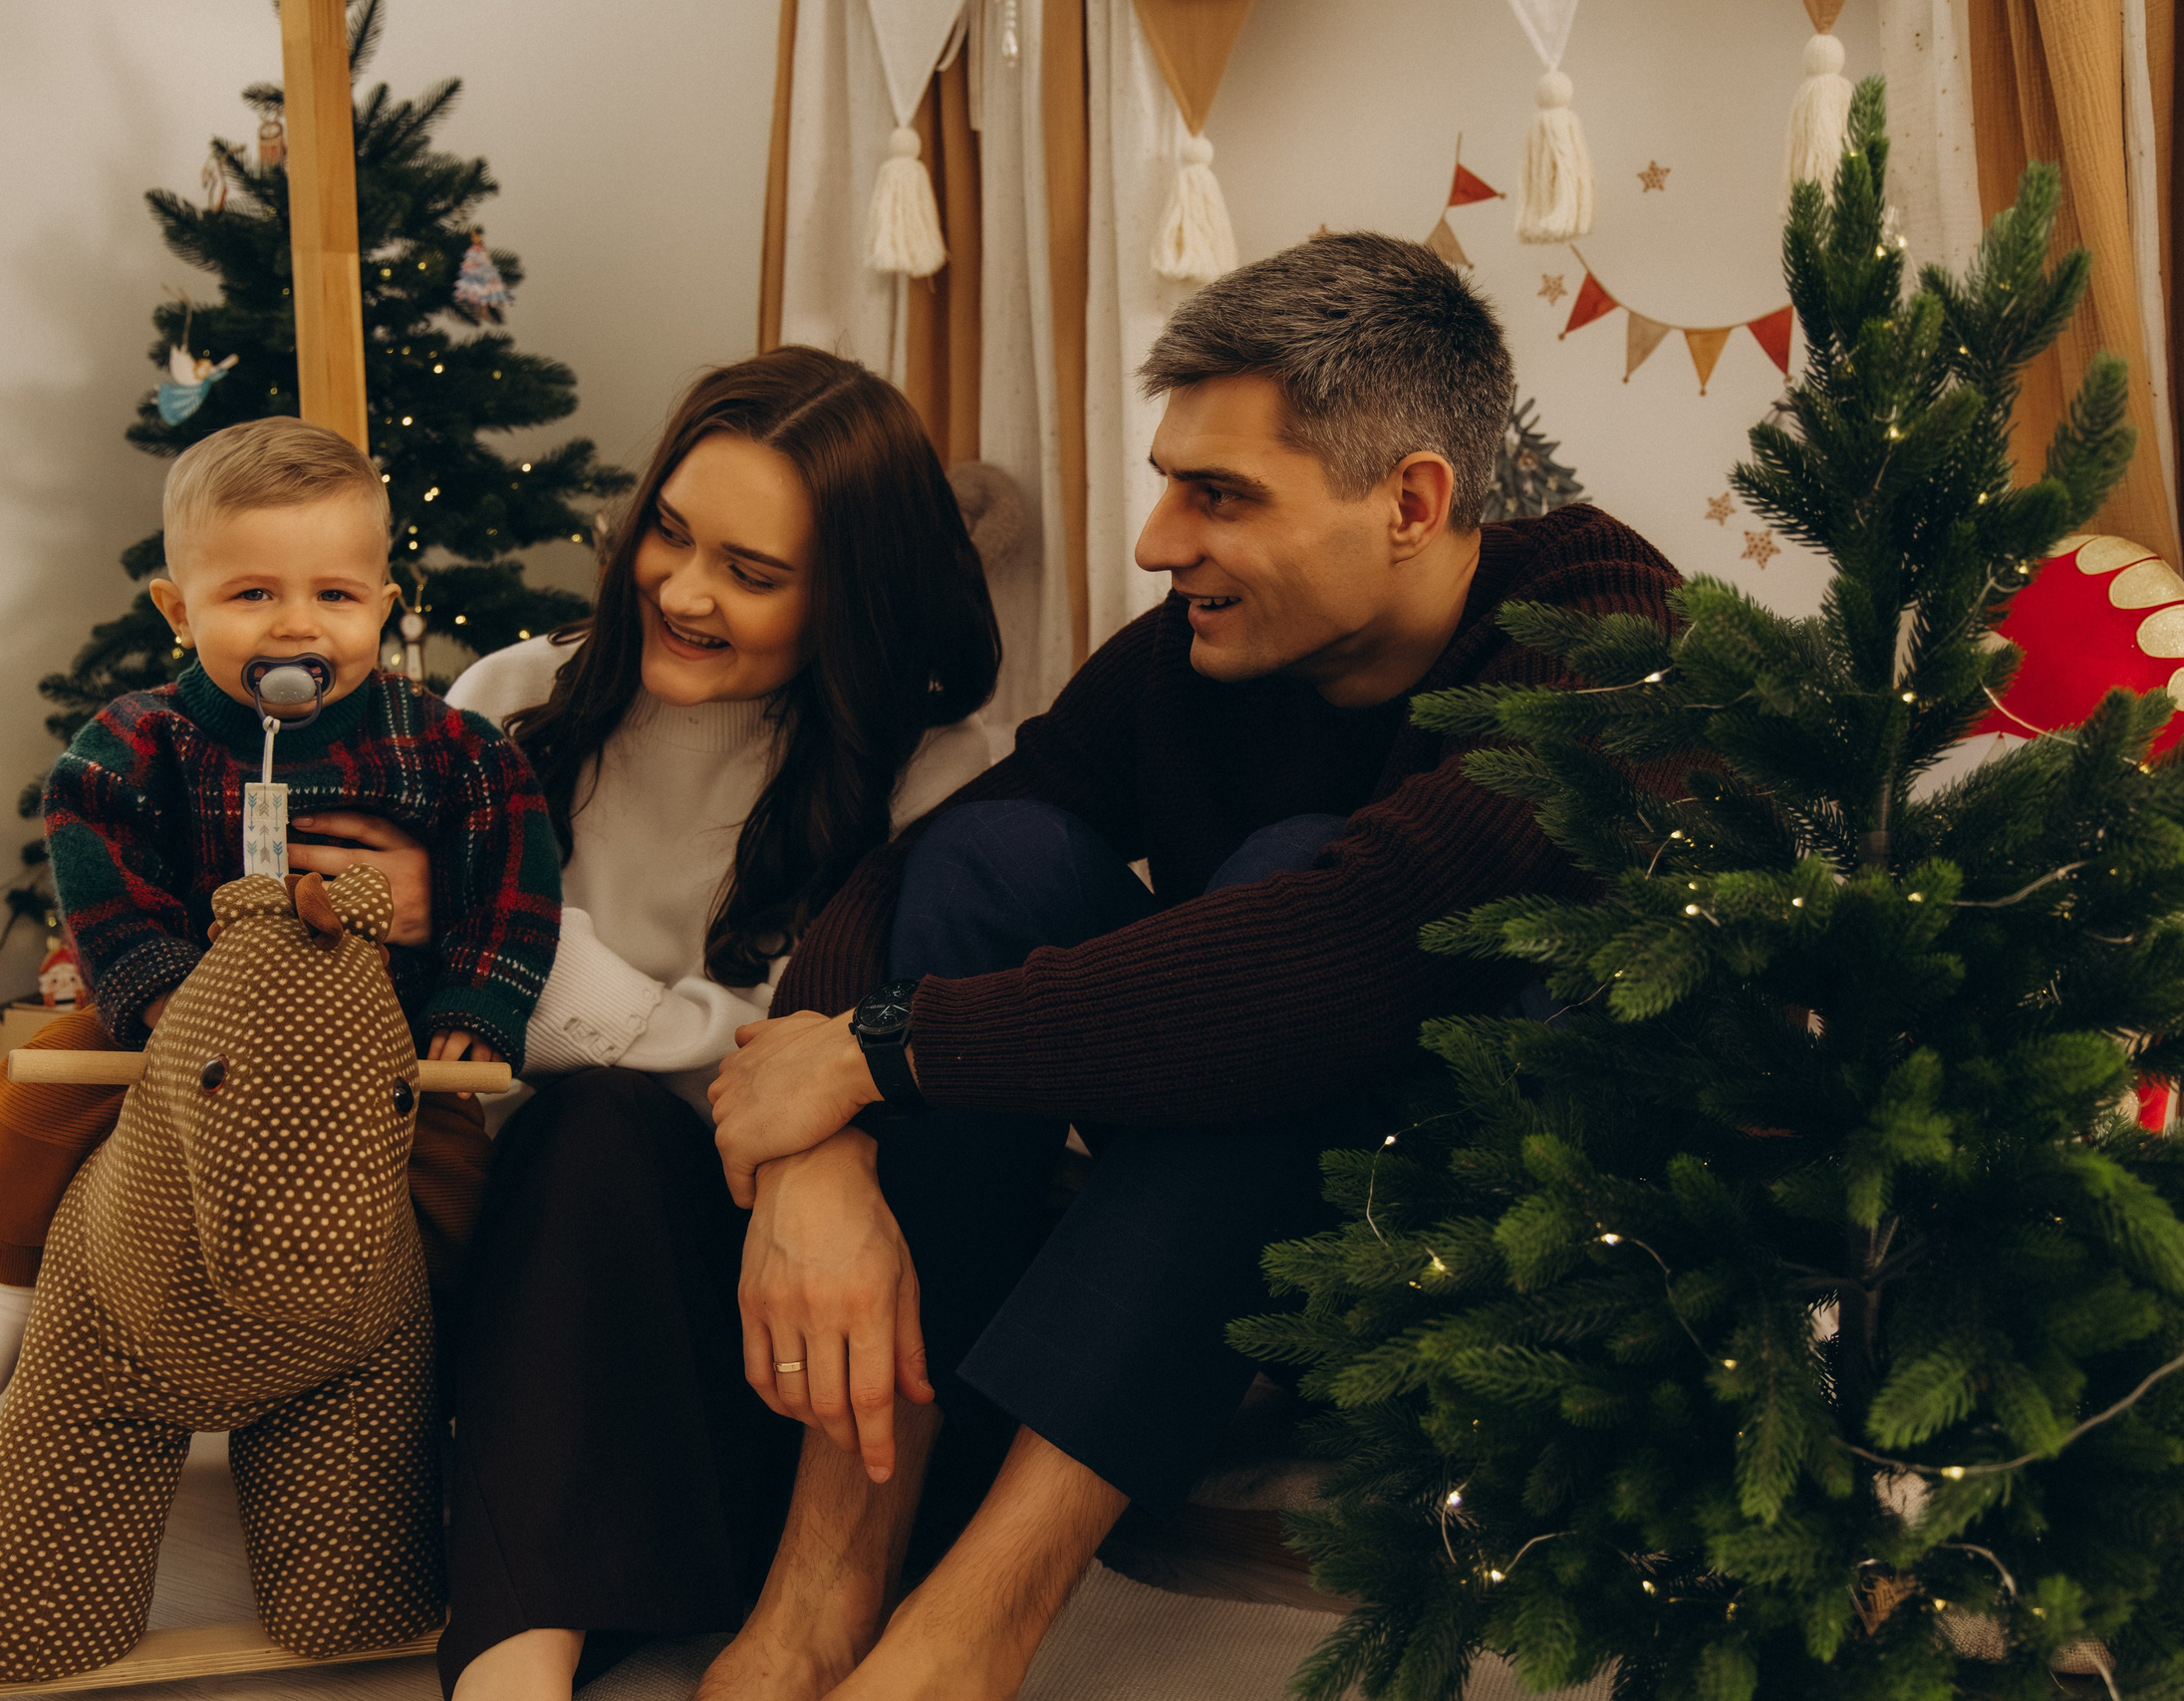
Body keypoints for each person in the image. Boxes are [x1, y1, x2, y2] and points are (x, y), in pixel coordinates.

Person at [695, 232, 1684, 1700]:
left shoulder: (1594, 634)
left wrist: (881, 1046)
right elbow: (923, 865)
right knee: (1001, 865)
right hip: (1256, 1233)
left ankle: (971, 1629)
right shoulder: (1201, 650)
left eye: (1218, 495)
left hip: (1515, 1266)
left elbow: (1350, 943)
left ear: (1413, 499)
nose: (1159, 542)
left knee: (1291, 881)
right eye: (1169, 481)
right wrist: (818, 1136)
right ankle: (825, 1581)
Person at [291, 347, 999, 1700]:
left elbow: (794, 1074)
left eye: (752, 569)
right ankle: (519, 1665)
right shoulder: (508, 698)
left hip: (769, 1321)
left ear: (851, 589)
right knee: (581, 1130)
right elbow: (442, 1033)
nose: (681, 589)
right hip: (519, 1269)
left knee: (606, 1122)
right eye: (668, 531)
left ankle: (542, 1643)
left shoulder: (934, 775)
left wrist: (507, 939)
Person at [0, 416, 562, 1427]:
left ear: (384, 608)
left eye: (334, 596)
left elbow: (513, 874)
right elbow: (100, 870)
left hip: (379, 1033)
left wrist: (482, 993)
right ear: (180, 607)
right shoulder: (134, 744)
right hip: (187, 1024)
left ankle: (458, 1362)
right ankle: (8, 1298)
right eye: (253, 594)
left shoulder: (449, 747)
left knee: (455, 1178)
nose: (297, 627)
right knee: (31, 1101)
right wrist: (161, 990)